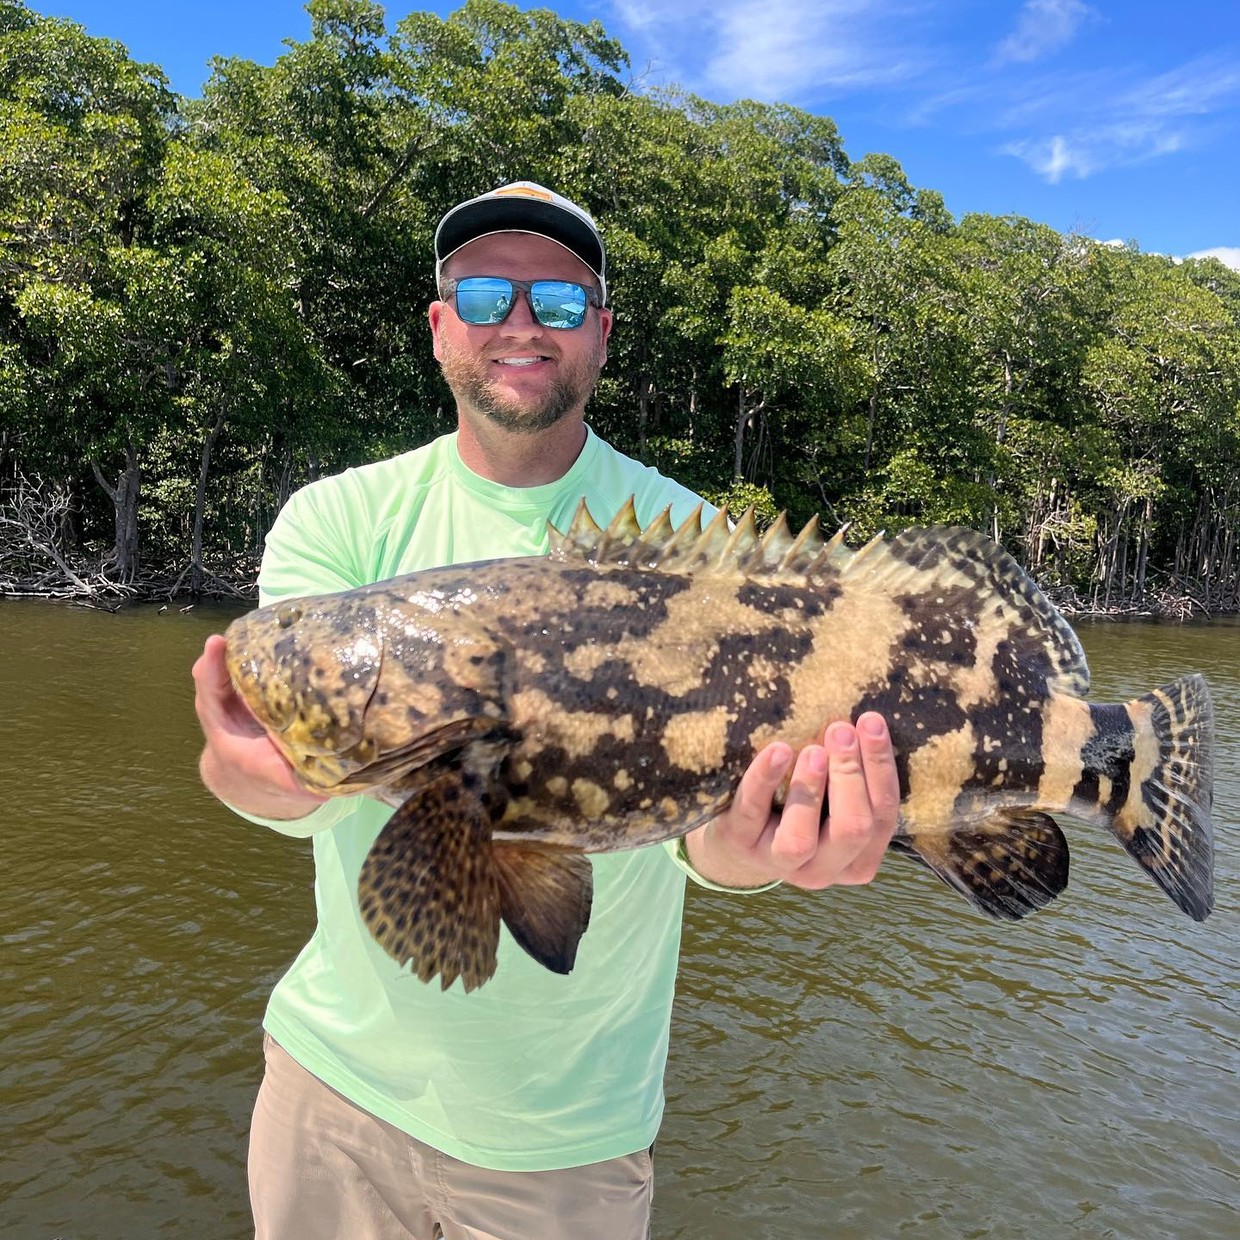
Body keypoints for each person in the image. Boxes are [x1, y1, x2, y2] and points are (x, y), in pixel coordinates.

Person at [192, 181, 901, 1240]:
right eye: (484, 295)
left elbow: (703, 835)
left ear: (600, 334)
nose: (520, 323)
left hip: (568, 1136)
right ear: (439, 329)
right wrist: (245, 777)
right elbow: (295, 780)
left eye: (559, 304)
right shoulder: (335, 520)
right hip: (330, 1088)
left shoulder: (690, 537)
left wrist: (753, 856)